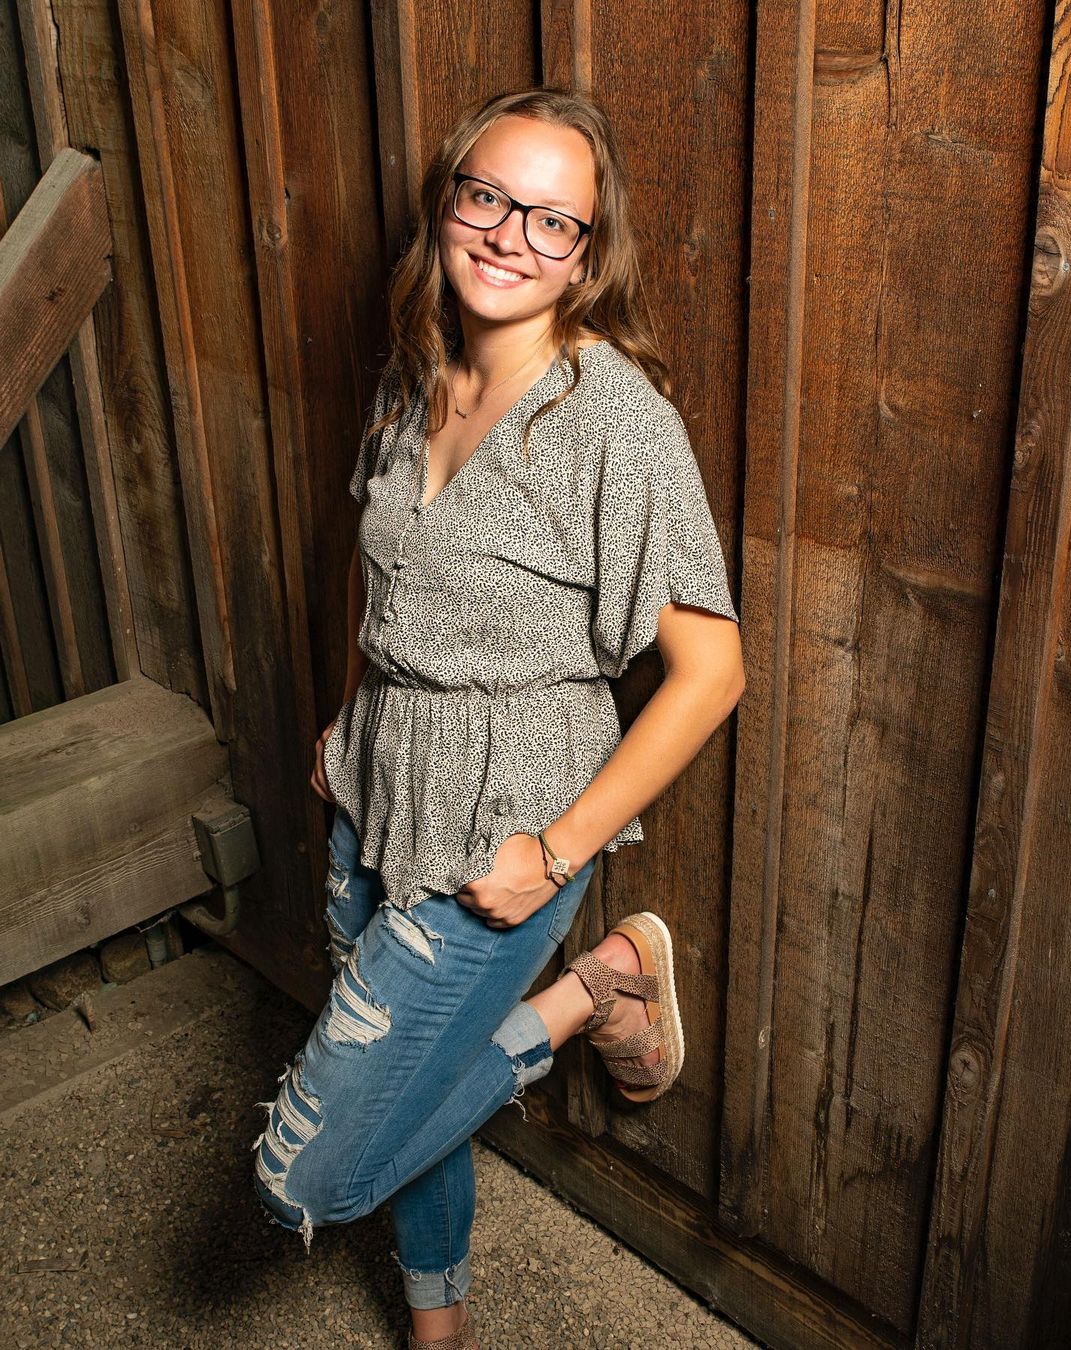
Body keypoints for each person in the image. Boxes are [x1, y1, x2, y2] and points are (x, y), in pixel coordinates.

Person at [252, 86, 745, 1349]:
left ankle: (585, 995)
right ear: (448, 204)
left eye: (553, 220)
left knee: (304, 1177)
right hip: (376, 788)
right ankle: (441, 1324)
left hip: (504, 829)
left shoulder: (615, 423)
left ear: (589, 254)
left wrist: (557, 852)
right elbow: (386, 566)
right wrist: (350, 721)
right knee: (403, 1087)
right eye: (488, 197)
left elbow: (712, 671)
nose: (511, 236)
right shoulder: (416, 369)